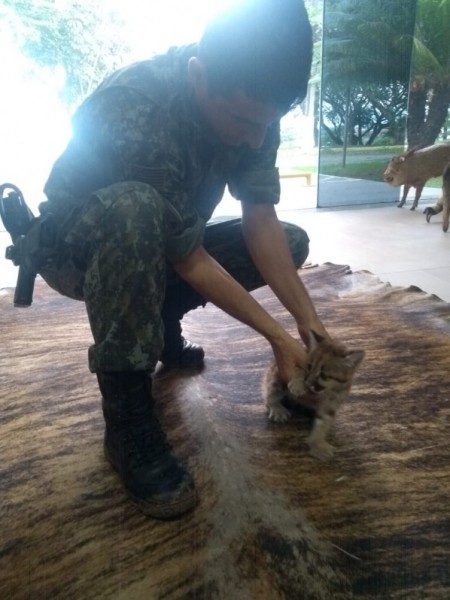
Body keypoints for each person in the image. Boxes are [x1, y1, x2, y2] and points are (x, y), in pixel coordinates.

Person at [36, 0, 329, 519]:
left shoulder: (256, 104)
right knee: (137, 212)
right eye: (243, 121)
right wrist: (277, 339)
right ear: (199, 74)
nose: (255, 138)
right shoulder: (139, 104)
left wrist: (310, 327)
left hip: (162, 239)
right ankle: (126, 418)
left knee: (291, 239)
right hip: (76, 248)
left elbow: (259, 220)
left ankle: (161, 323)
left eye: (269, 123)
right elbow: (187, 255)